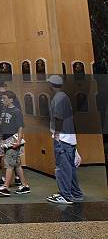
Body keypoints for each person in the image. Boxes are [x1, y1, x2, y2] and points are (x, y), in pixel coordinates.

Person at [46, 75, 84, 205]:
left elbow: (58, 118)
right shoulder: (65, 97)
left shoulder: (57, 98)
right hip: (70, 139)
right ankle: (76, 193)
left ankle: (65, 195)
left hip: (62, 139)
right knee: (70, 169)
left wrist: (56, 135)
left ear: (51, 85)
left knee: (62, 169)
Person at [0, 77, 23, 187]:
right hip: (14, 130)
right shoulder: (13, 97)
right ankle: (17, 178)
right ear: (5, 85)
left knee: (3, 155)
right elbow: (18, 112)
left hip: (0, 130)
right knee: (15, 154)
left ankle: (3, 178)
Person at [0, 91, 31, 196]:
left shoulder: (17, 112)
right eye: (2, 98)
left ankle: (6, 187)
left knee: (9, 163)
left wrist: (18, 141)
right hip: (5, 138)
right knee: (17, 164)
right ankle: (24, 186)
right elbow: (6, 122)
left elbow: (20, 127)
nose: (2, 100)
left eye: (4, 99)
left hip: (13, 139)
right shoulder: (4, 109)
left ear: (11, 100)